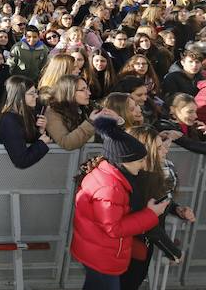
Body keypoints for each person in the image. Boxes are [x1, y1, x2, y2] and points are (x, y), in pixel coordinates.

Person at [71, 118, 167, 290]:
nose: (143, 164)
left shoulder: (110, 175)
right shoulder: (111, 188)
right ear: (124, 161)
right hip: (102, 256)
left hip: (97, 252)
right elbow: (114, 229)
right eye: (139, 161)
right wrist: (151, 214)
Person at [121, 126, 196, 290]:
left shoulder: (151, 172)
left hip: (141, 246)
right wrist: (173, 251)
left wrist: (177, 210)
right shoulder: (138, 179)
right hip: (130, 248)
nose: (165, 151)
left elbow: (157, 204)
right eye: (159, 148)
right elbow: (148, 223)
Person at [0, 75, 51, 169]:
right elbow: (21, 160)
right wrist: (42, 143)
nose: (36, 96)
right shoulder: (9, 121)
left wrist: (41, 131)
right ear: (19, 96)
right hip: (5, 172)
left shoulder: (24, 115)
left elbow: (28, 141)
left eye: (36, 92)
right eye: (32, 93)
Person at [46, 75, 115, 150]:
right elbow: (66, 143)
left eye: (87, 89)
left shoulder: (88, 107)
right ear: (69, 92)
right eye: (83, 90)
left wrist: (115, 119)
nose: (89, 93)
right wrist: (91, 122)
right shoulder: (53, 113)